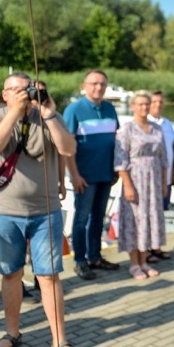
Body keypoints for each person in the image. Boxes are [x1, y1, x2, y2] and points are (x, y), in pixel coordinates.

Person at [0, 72, 85, 347]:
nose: (22, 94)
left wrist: (49, 111)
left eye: (25, 89)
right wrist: (15, 110)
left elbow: (68, 148)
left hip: (45, 212)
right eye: (14, 90)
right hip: (5, 212)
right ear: (4, 94)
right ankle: (12, 333)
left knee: (49, 276)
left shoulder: (49, 115)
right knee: (11, 273)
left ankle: (59, 341)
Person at [63, 69, 120, 280]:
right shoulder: (74, 109)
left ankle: (95, 256)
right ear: (84, 86)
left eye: (102, 84)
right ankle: (80, 260)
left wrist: (115, 168)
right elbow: (68, 147)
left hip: (106, 174)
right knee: (81, 219)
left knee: (98, 218)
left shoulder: (110, 109)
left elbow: (115, 141)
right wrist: (74, 175)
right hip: (84, 176)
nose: (98, 88)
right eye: (94, 84)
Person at [115, 91, 167, 279]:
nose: (144, 107)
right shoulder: (127, 129)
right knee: (134, 220)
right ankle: (134, 263)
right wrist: (127, 185)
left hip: (153, 179)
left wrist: (164, 183)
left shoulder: (156, 128)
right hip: (135, 178)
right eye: (140, 104)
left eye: (147, 104)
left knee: (150, 219)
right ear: (133, 107)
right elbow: (120, 160)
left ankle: (144, 260)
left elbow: (163, 158)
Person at [147, 90, 174, 262]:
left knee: (160, 214)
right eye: (154, 102)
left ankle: (156, 247)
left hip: (168, 177)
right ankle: (147, 250)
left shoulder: (167, 124)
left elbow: (173, 148)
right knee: (149, 215)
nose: (158, 105)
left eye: (160, 102)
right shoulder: (145, 123)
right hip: (151, 179)